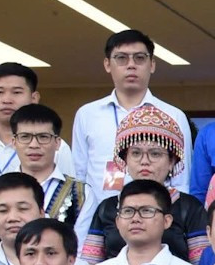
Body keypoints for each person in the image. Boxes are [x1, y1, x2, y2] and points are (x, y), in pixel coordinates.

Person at [80, 104, 209, 265]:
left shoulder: (189, 208)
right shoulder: (108, 207)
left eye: (155, 153)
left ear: (171, 161)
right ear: (125, 159)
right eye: (136, 153)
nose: (144, 161)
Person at [69, 30, 192, 198]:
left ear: (152, 65)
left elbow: (181, 181)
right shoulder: (87, 114)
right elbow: (79, 176)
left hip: (156, 216)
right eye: (121, 58)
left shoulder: (173, 116)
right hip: (100, 217)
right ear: (107, 64)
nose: (131, 65)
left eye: (140, 58)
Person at [0, 105, 90, 257]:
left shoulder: (80, 192)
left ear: (57, 142)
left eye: (43, 137)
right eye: (25, 137)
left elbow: (79, 251)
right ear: (14, 142)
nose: (34, 145)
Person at [82, 179, 206, 265]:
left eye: (146, 211)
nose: (136, 219)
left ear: (167, 221)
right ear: (118, 221)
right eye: (128, 211)